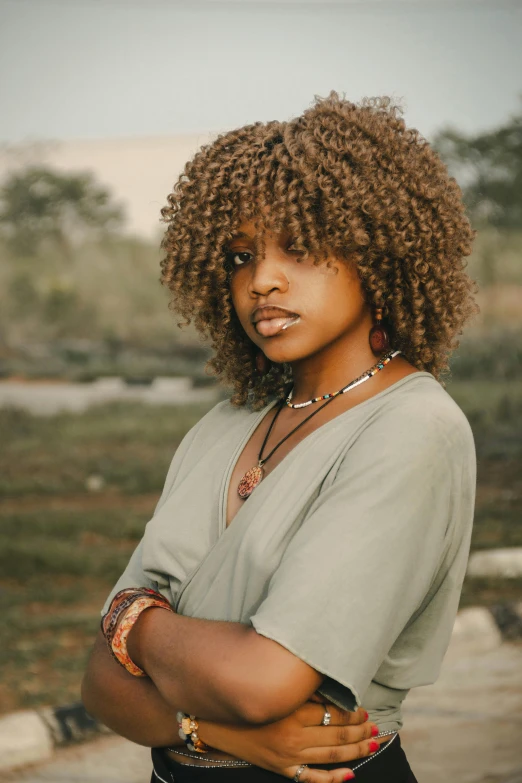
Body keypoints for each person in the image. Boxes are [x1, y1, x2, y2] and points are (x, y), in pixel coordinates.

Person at [82, 92, 478, 782]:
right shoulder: (226, 423)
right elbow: (98, 686)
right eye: (240, 256)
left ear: (374, 252)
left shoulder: (414, 429)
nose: (261, 279)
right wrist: (204, 730)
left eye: (297, 246)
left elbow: (261, 681)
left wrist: (131, 620)